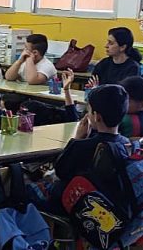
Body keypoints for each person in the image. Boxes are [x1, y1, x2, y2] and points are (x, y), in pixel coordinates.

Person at [49, 84, 130, 215]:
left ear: (97, 116)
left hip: (74, 206)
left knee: (29, 187)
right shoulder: (126, 144)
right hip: (107, 207)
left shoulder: (82, 145)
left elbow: (60, 171)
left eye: (89, 110)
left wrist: (77, 139)